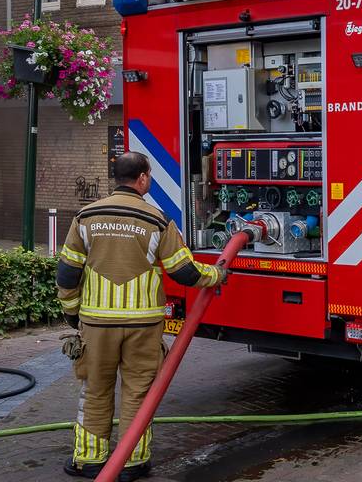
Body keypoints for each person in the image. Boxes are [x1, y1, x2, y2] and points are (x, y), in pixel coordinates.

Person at [58, 152, 227, 480]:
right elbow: (184, 271)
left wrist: (72, 314)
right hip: (143, 327)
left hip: (97, 325)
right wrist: (217, 275)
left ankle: (88, 460)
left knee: (95, 390)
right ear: (143, 178)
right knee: (138, 393)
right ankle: (132, 462)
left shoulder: (85, 216)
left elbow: (67, 273)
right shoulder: (157, 220)